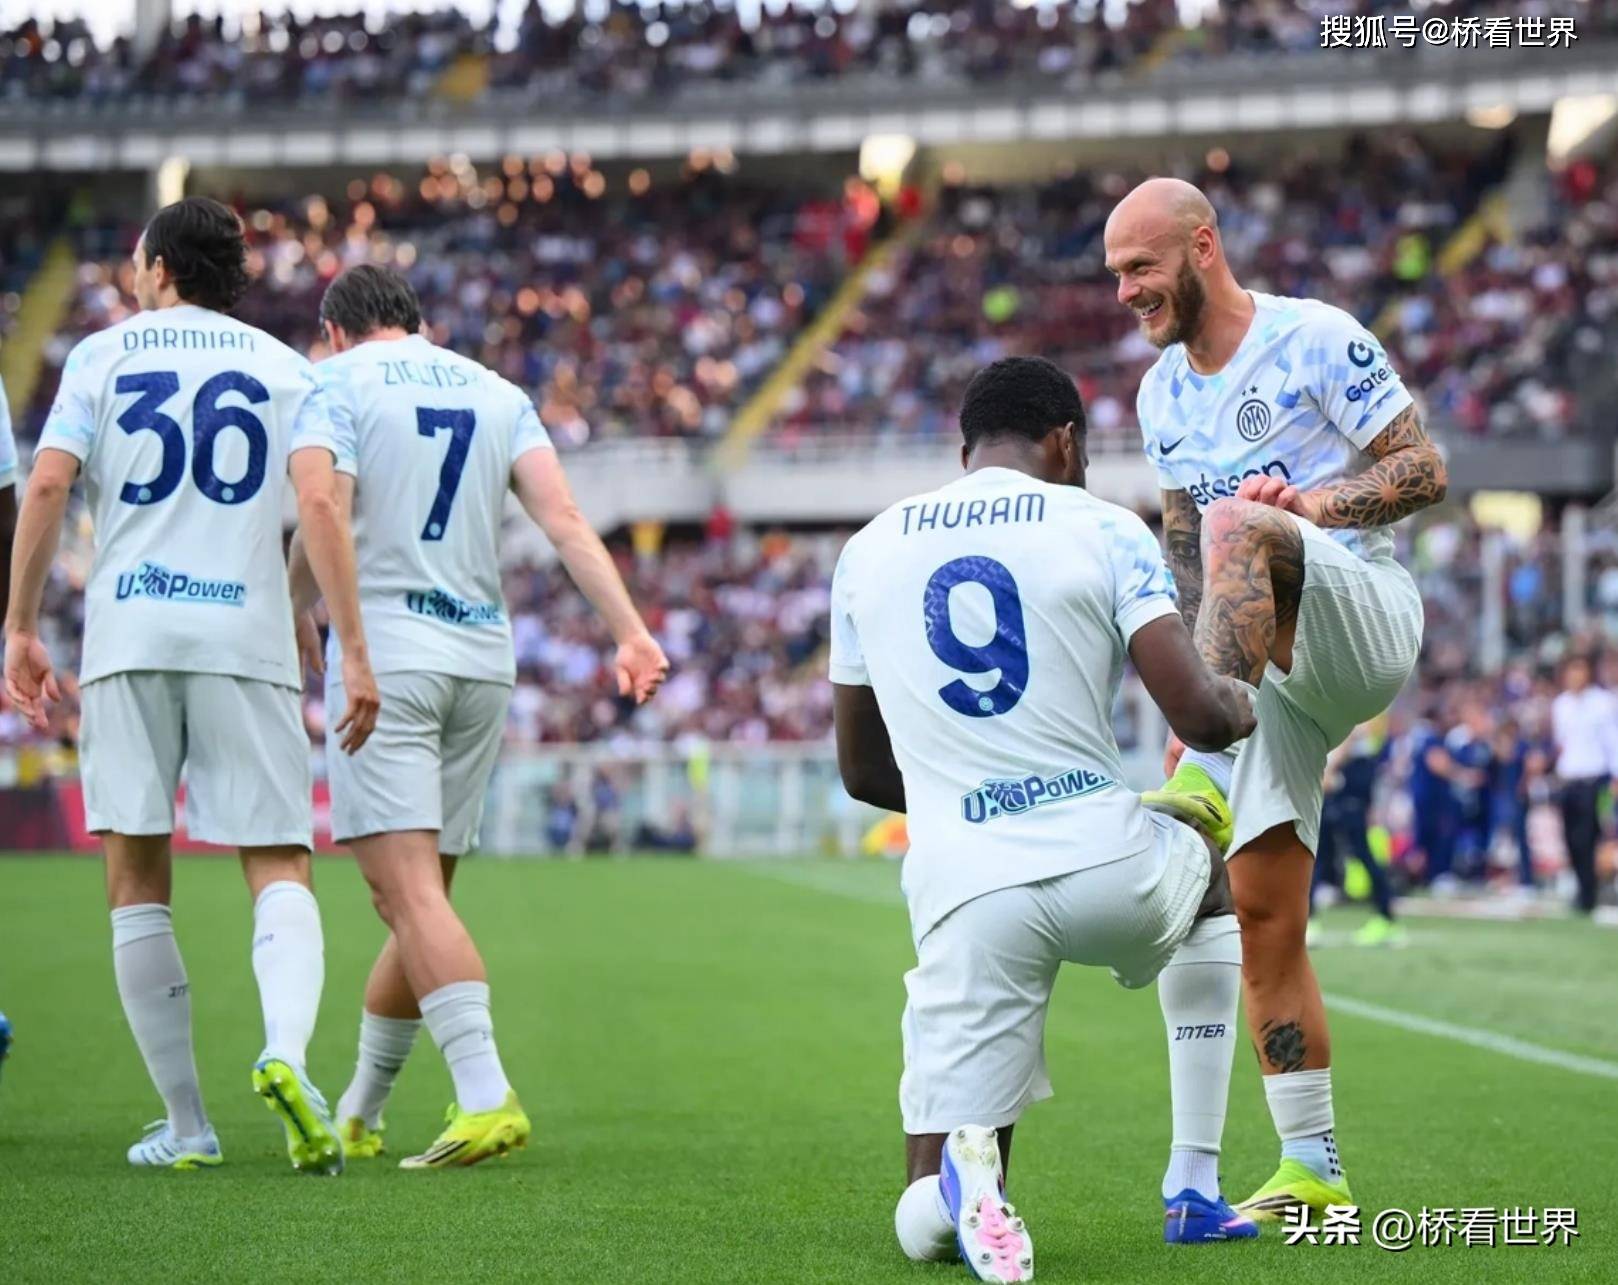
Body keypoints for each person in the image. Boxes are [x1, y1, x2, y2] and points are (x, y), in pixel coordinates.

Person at [831, 357, 1259, 1282]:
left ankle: (963, 1179)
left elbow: (861, 771)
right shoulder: (1101, 525)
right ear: (1066, 442)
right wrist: (1242, 709)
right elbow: (1195, 712)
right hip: (1109, 862)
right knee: (1207, 869)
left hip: (968, 889)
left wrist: (967, 796)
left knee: (925, 1213)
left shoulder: (867, 550)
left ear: (966, 451)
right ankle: (1193, 1181)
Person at [3, 197, 379, 1173]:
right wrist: (325, 622)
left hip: (130, 633)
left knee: (136, 877)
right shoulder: (289, 369)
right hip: (245, 635)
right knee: (278, 861)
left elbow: (46, 485)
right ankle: (286, 1055)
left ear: (162, 268)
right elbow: (320, 502)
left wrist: (20, 623)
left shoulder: (99, 356)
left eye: (139, 260)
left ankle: (185, 1124)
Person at [1105, 177, 1446, 1221]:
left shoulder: (1313, 338)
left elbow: (1424, 467)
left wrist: (1309, 506)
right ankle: (1312, 1166)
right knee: (1260, 911)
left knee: (1241, 524)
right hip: (1264, 674)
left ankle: (1209, 775)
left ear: (1202, 247)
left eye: (1140, 267)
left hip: (1359, 614)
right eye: (1115, 274)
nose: (1126, 291)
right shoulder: (1159, 396)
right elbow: (1182, 556)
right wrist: (1189, 713)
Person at [291, 265, 668, 1169]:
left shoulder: (332, 382)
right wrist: (630, 631)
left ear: (335, 330)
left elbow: (322, 506)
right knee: (421, 900)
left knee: (407, 895)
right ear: (417, 321)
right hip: (480, 659)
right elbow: (564, 517)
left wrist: (345, 643)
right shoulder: (496, 390)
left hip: (392, 653)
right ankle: (361, 1109)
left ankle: (486, 1093)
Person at [1310, 718, 1402, 946]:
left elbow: (1351, 730)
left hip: (1351, 778)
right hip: (1350, 778)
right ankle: (1308, 918)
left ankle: (1385, 916)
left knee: (1352, 853)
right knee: (1325, 854)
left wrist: (1330, 768)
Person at [1550, 655, 1617, 914]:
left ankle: (1588, 894)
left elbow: (1613, 740)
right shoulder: (1561, 704)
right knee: (1570, 838)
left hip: (1594, 780)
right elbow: (1561, 743)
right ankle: (1582, 887)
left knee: (1588, 837)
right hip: (1568, 780)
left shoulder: (1602, 703)